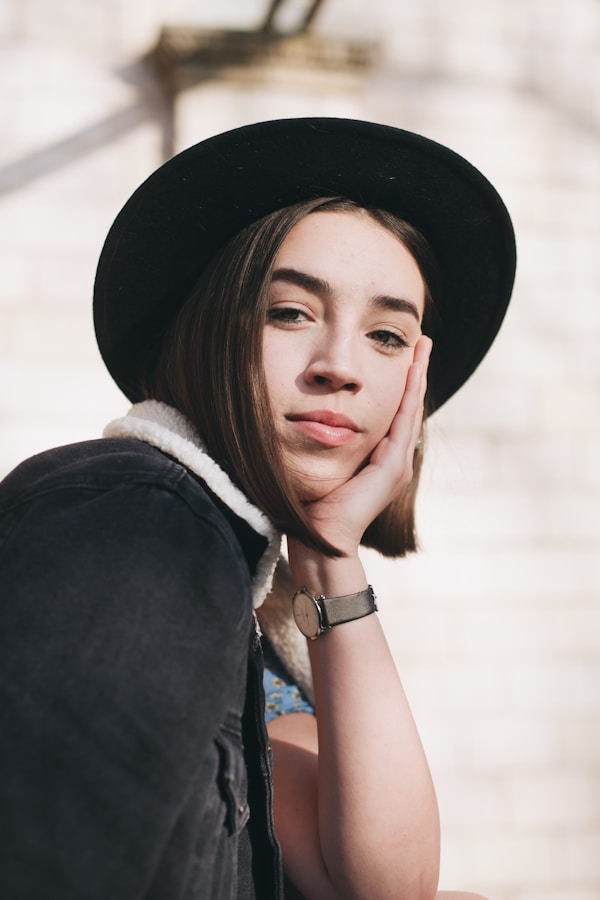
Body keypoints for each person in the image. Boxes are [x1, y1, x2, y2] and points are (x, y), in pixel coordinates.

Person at [0, 118, 516, 899]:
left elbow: (385, 886)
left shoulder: (263, 607)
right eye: (290, 313)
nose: (340, 367)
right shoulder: (136, 516)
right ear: (212, 324)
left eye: (386, 335)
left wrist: (331, 555)